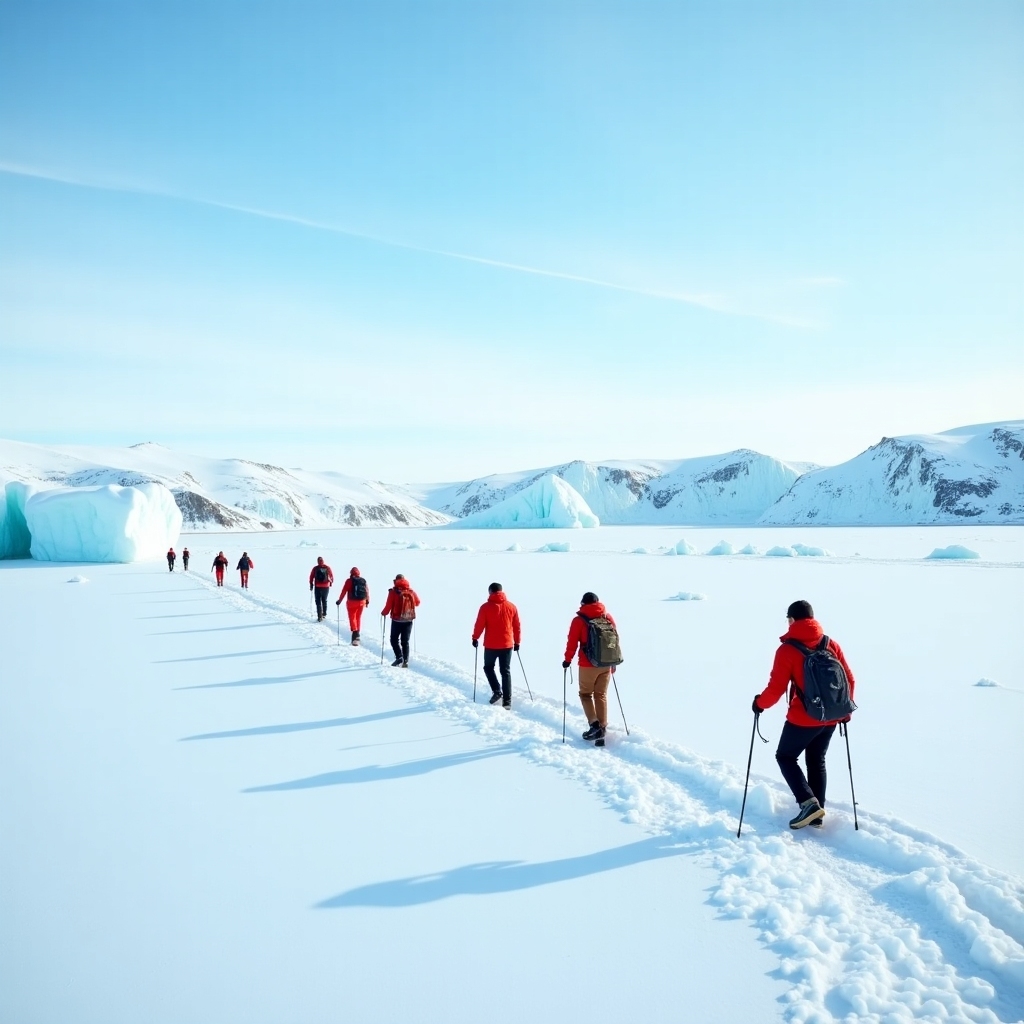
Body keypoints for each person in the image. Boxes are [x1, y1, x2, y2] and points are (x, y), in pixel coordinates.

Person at [752, 600, 857, 830]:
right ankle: (817, 814)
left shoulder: (787, 650)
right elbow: (849, 679)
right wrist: (845, 711)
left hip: (803, 718)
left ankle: (808, 804)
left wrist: (759, 704)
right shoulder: (830, 644)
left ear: (791, 620)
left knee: (785, 757)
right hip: (831, 716)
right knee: (816, 760)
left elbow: (776, 689)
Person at [563, 592, 617, 746]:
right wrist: (613, 663)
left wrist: (567, 660)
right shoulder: (607, 617)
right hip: (606, 664)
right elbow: (614, 642)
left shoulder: (579, 620)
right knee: (601, 695)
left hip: (587, 664)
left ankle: (594, 725)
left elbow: (572, 642)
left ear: (582, 603)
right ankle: (602, 730)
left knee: (585, 694)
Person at [472, 582, 521, 708]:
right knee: (505, 671)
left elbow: (479, 624)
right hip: (507, 645)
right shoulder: (512, 607)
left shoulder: (485, 607)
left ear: (490, 592)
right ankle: (507, 701)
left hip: (491, 645)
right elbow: (517, 626)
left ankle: (497, 691)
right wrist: (517, 642)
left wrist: (475, 638)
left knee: (488, 668)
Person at [381, 573, 419, 667]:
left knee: (394, 640)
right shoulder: (410, 591)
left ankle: (399, 657)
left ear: (395, 581)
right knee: (405, 641)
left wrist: (384, 613)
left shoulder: (393, 592)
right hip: (408, 620)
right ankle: (405, 661)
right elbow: (418, 602)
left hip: (397, 620)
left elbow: (388, 606)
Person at [336, 567, 370, 645]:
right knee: (358, 618)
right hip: (362, 602)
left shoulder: (349, 581)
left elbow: (344, 591)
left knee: (352, 618)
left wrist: (340, 600)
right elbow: (367, 591)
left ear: (351, 573)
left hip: (351, 603)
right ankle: (357, 634)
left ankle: (355, 634)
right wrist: (367, 601)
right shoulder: (363, 580)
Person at [309, 556, 334, 621]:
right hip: (326, 587)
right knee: (324, 600)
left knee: (318, 601)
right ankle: (324, 614)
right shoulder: (327, 568)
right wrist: (330, 584)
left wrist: (311, 584)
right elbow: (331, 577)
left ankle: (319, 616)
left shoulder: (315, 568)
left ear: (317, 561)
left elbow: (311, 576)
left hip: (318, 587)